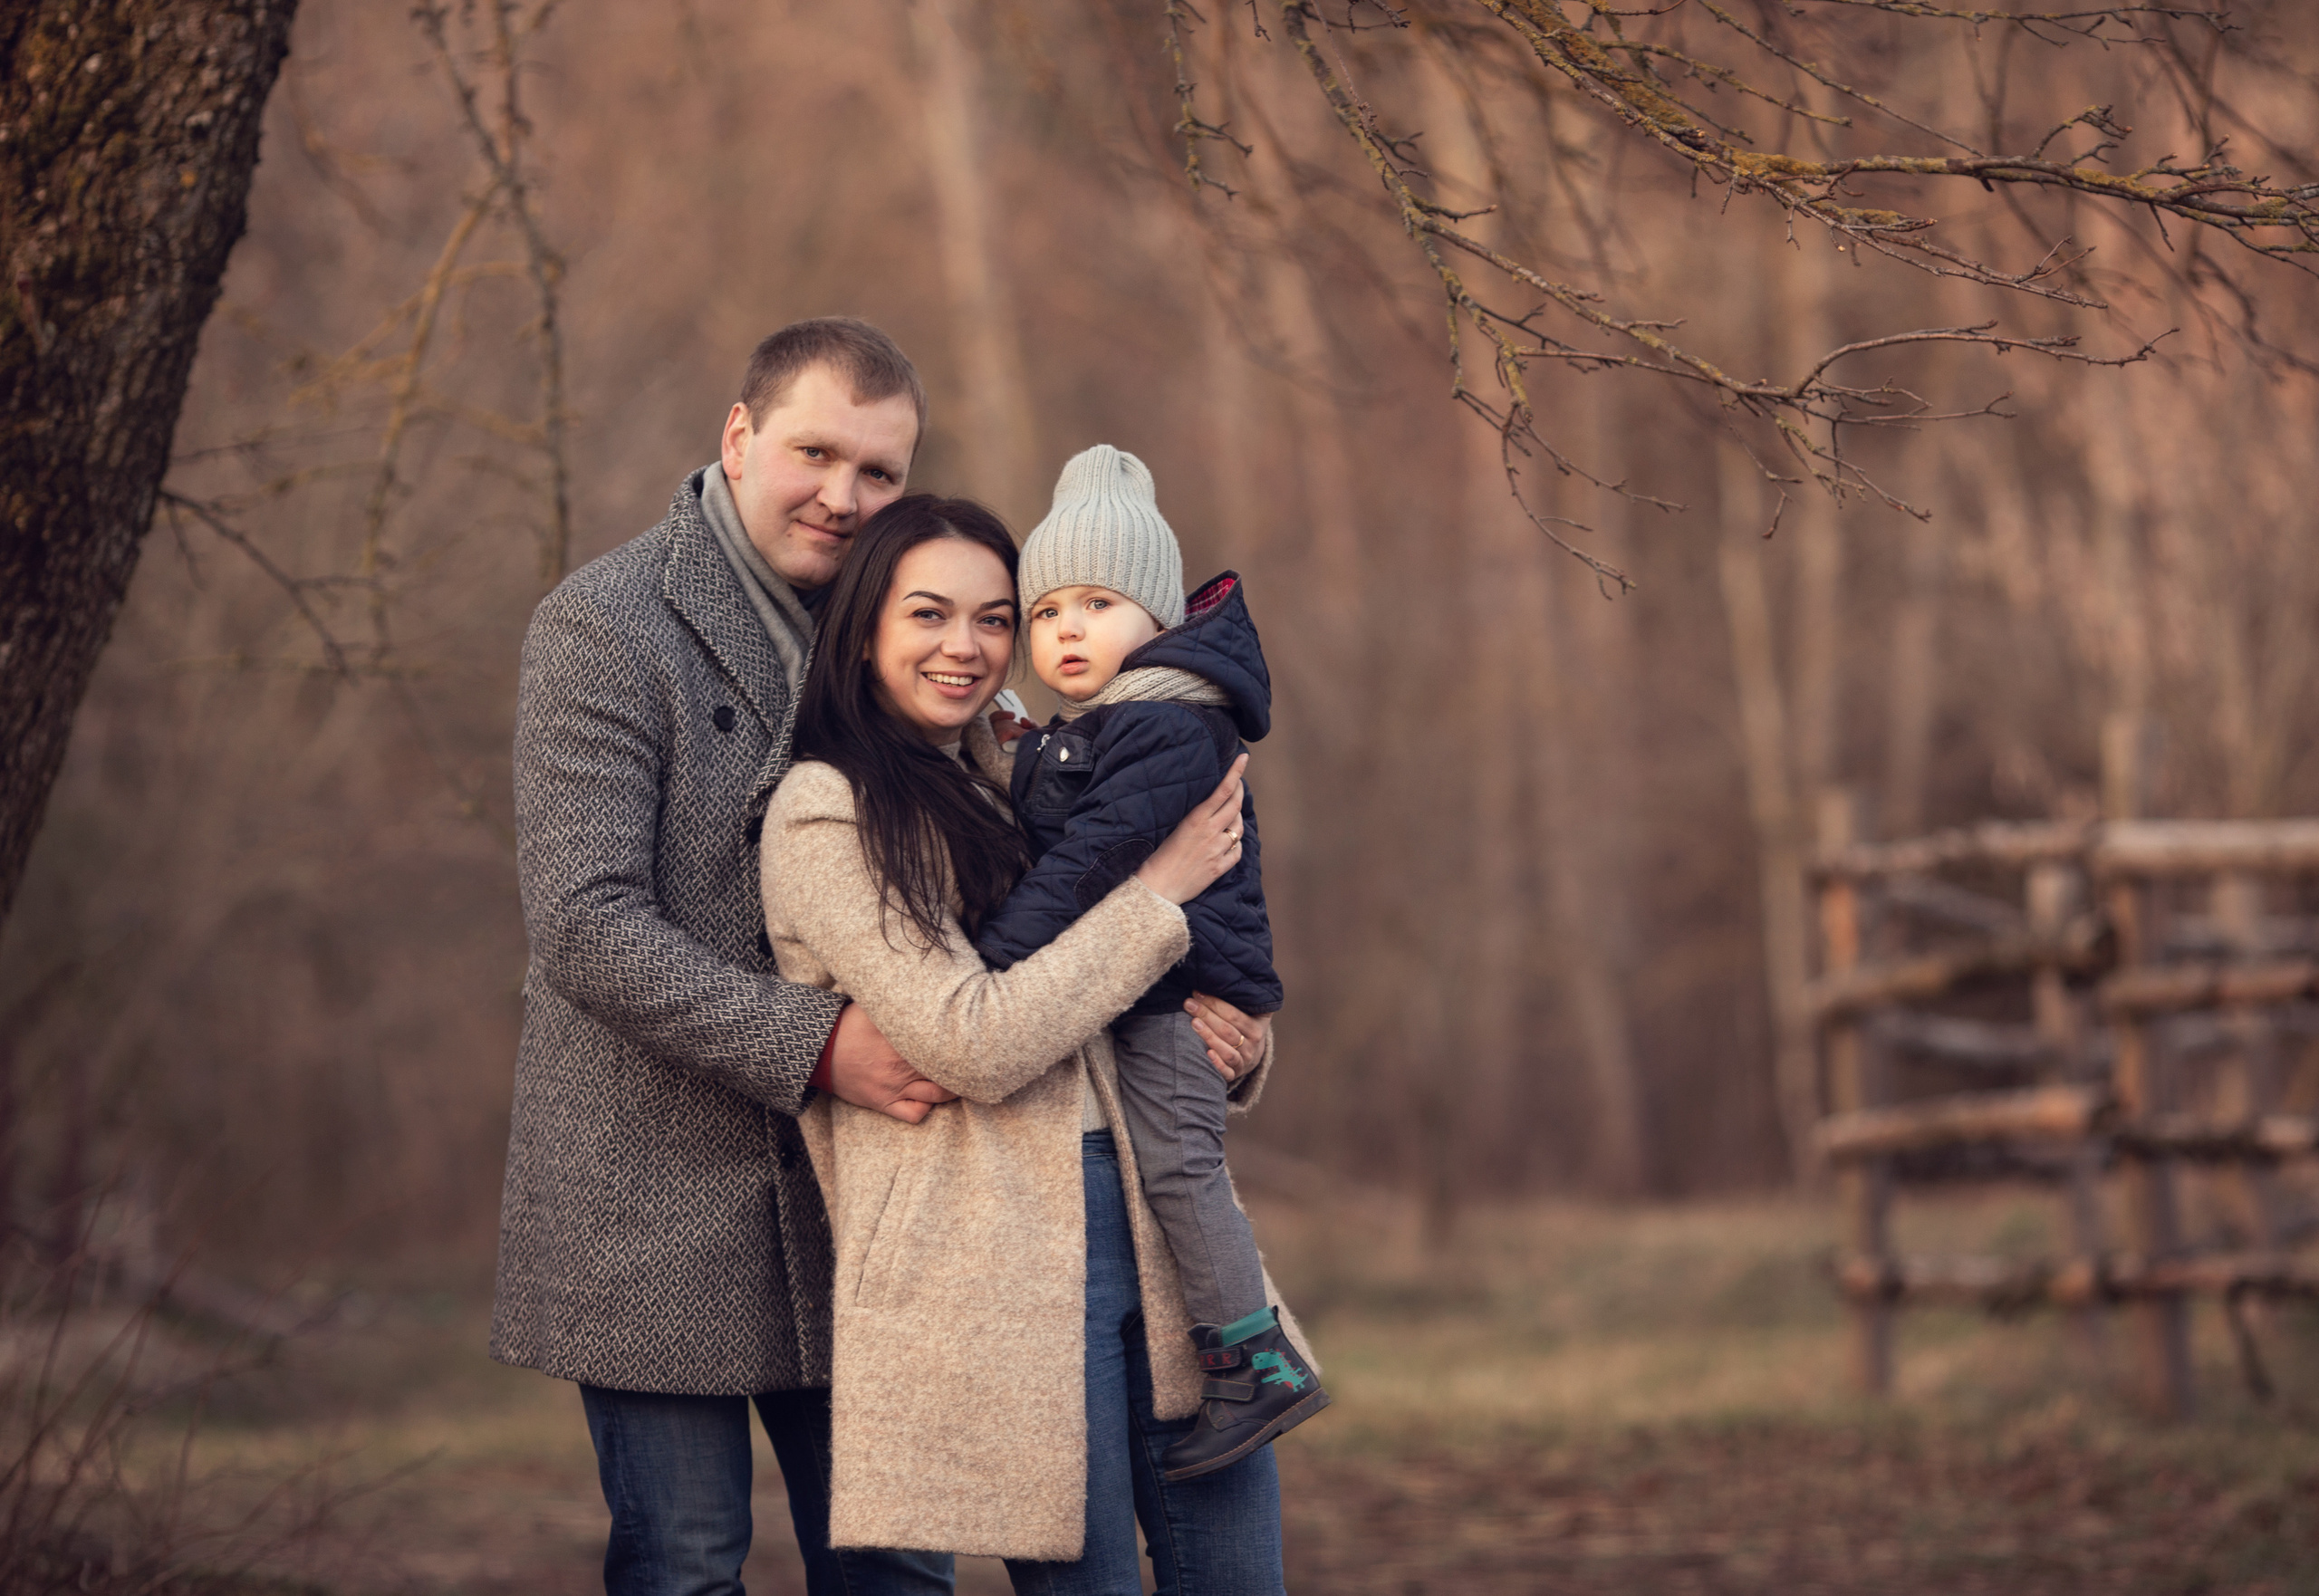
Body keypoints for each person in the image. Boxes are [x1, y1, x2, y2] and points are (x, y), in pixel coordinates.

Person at [492, 316, 1280, 1595]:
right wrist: (817, 1043)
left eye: (877, 470)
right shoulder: (608, 622)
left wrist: (1212, 1025)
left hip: (904, 1191)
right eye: (815, 453)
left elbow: (1071, 915)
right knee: (685, 1558)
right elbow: (585, 921)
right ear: (739, 437)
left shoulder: (958, 682)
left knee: (899, 1571)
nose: (842, 494)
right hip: (662, 1173)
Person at [761, 494, 1312, 1593]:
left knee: (1238, 1574)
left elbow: (1143, 969)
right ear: (862, 629)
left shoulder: (1033, 768)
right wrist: (1158, 894)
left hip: (1160, 1224)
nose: (966, 646)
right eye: (928, 614)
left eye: (994, 617)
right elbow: (971, 1039)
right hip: (1002, 1254)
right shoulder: (826, 812)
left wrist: (1236, 1033)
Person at [974, 445, 1325, 1482]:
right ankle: (1241, 1354)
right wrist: (1016, 741)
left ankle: (1254, 1362)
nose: (1065, 628)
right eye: (1045, 611)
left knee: (1179, 1164)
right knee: (1174, 1163)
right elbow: (1067, 794)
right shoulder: (1122, 723)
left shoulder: (1168, 725)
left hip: (1181, 998)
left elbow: (1087, 860)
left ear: (1158, 617)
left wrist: (994, 962)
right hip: (1162, 984)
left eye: (1097, 603)